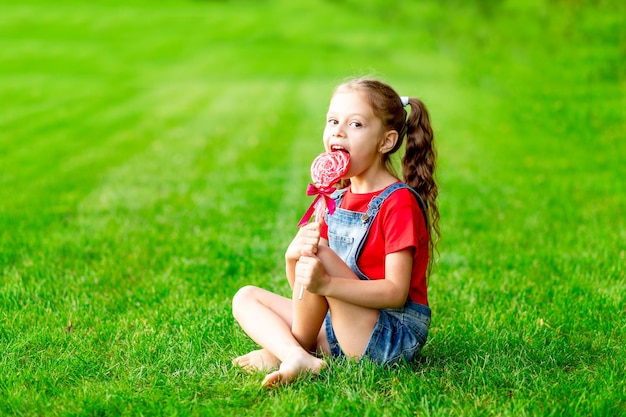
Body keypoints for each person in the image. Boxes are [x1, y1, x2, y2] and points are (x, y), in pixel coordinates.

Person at [231, 77, 440, 387]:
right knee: (246, 297)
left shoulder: (398, 203)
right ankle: (296, 353)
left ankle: (290, 350)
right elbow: (310, 298)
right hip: (342, 327)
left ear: (386, 141)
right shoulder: (335, 199)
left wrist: (326, 280)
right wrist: (295, 261)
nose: (339, 131)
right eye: (333, 121)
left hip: (388, 335)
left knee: (322, 256)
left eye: (355, 124)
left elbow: (395, 293)